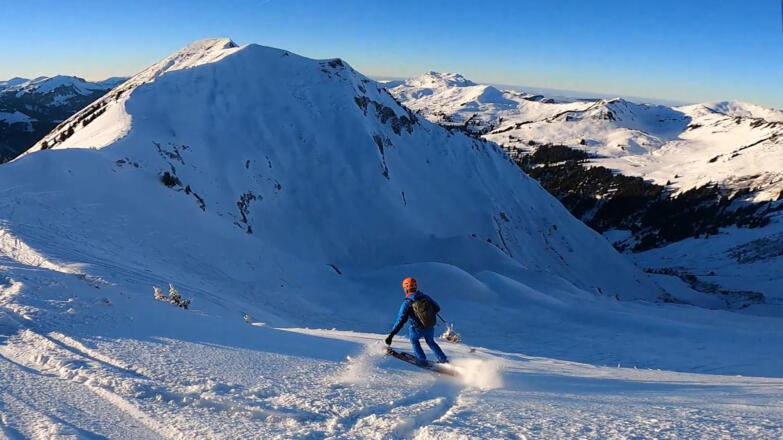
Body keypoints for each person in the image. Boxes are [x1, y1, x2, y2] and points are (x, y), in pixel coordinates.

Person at [385, 277, 448, 365]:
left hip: (416, 328)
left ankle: (421, 361)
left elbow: (401, 320)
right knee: (431, 342)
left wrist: (391, 334)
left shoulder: (407, 302)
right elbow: (437, 308)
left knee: (414, 341)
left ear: (406, 288)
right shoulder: (425, 297)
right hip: (429, 326)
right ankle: (443, 360)